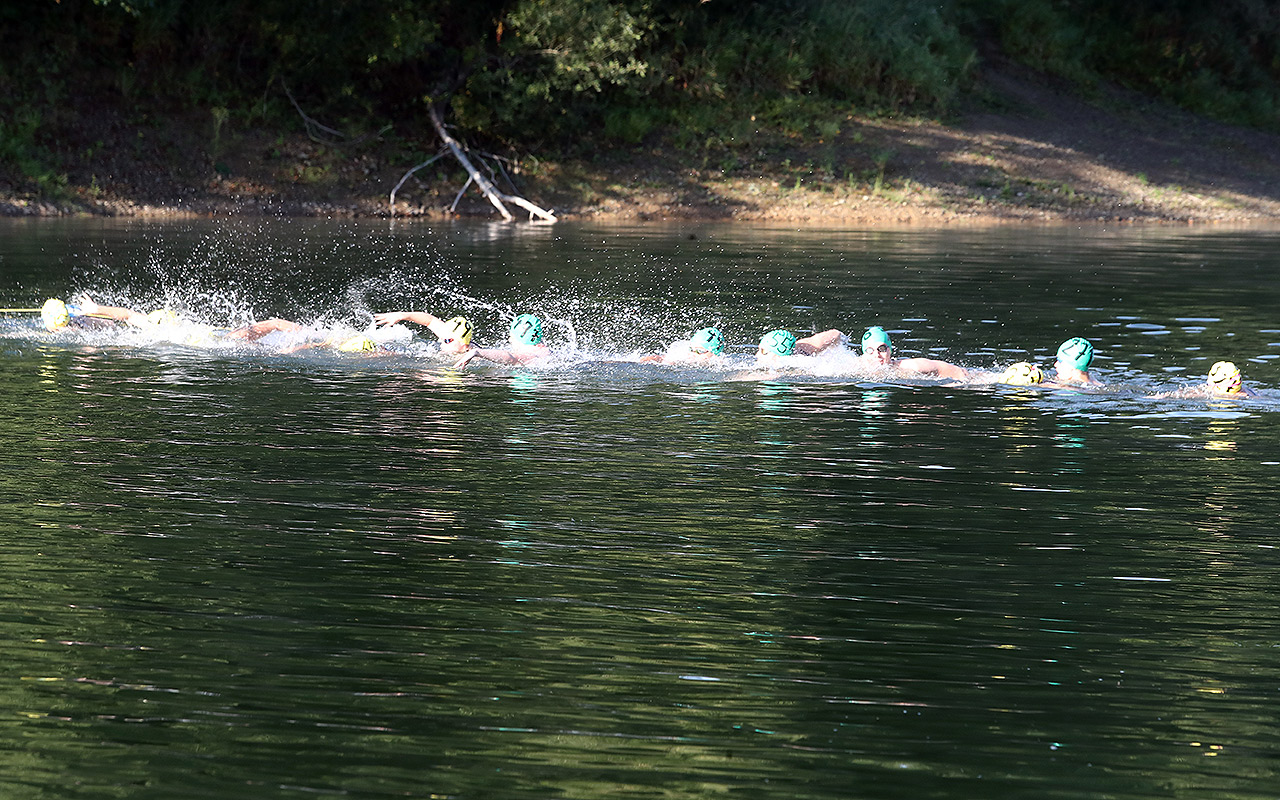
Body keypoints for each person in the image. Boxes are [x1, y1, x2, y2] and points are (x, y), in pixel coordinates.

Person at [858, 326, 970, 381]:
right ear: (864, 353)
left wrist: (960, 383)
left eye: (881, 349)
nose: (876, 355)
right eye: (870, 350)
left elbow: (946, 368)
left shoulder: (910, 366)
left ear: (890, 350)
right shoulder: (855, 366)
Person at [453, 313, 551, 369]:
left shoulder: (530, 355)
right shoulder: (543, 350)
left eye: (511, 337)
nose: (509, 340)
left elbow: (512, 357)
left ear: (518, 338)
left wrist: (477, 352)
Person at [372, 309, 474, 355]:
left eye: (446, 340)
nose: (442, 343)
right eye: (442, 339)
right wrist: (401, 315)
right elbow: (430, 320)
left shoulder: (473, 357)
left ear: (464, 345)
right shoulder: (454, 341)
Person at [640, 326, 727, 365]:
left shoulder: (719, 364)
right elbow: (663, 358)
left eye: (700, 351)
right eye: (691, 349)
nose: (694, 353)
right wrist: (647, 359)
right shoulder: (685, 355)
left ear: (714, 353)